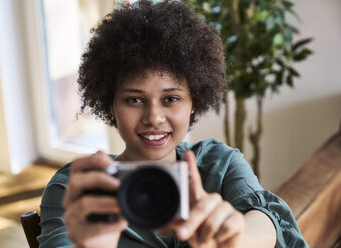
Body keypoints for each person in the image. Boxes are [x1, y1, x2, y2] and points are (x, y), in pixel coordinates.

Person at [37, 1, 309, 247]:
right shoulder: (78, 187)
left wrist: (237, 237)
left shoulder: (220, 164)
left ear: (194, 102)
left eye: (170, 98)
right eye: (134, 99)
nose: (154, 117)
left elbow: (266, 219)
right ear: (111, 104)